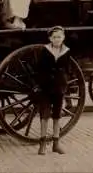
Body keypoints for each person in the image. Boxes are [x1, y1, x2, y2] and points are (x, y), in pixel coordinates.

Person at [34, 26, 71, 155]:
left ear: (63, 38)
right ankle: (42, 144)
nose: (57, 39)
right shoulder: (45, 50)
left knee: (57, 116)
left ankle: (56, 143)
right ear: (50, 38)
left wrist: (64, 83)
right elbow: (39, 69)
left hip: (59, 87)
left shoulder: (66, 51)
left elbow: (68, 69)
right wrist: (40, 83)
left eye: (59, 37)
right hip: (46, 88)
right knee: (44, 116)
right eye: (54, 37)